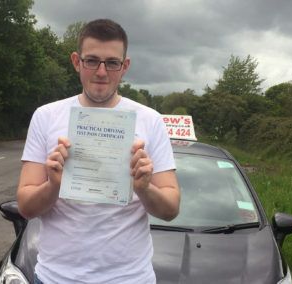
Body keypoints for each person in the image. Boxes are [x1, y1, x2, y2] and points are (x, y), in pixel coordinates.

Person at [17, 18, 180, 284]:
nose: (101, 72)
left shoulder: (150, 120)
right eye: (91, 60)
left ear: (125, 66)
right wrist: (54, 185)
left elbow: (171, 208)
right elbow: (25, 206)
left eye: (112, 62)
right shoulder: (46, 116)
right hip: (56, 278)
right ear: (76, 61)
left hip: (130, 279)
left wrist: (144, 188)